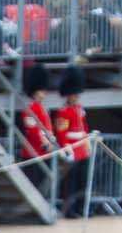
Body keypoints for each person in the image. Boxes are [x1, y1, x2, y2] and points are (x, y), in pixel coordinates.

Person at [15, 63, 57, 202]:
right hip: (34, 152)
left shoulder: (41, 107)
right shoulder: (30, 108)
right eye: (42, 90)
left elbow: (47, 128)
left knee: (44, 183)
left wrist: (50, 141)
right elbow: (33, 130)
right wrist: (45, 143)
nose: (44, 93)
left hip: (44, 152)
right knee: (35, 184)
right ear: (35, 91)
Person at [53, 65, 89, 218]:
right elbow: (61, 131)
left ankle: (81, 207)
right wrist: (66, 146)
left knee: (83, 181)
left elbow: (84, 127)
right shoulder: (63, 111)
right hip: (72, 148)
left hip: (81, 147)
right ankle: (70, 209)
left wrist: (87, 142)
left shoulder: (79, 108)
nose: (76, 97)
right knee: (71, 183)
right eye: (74, 94)